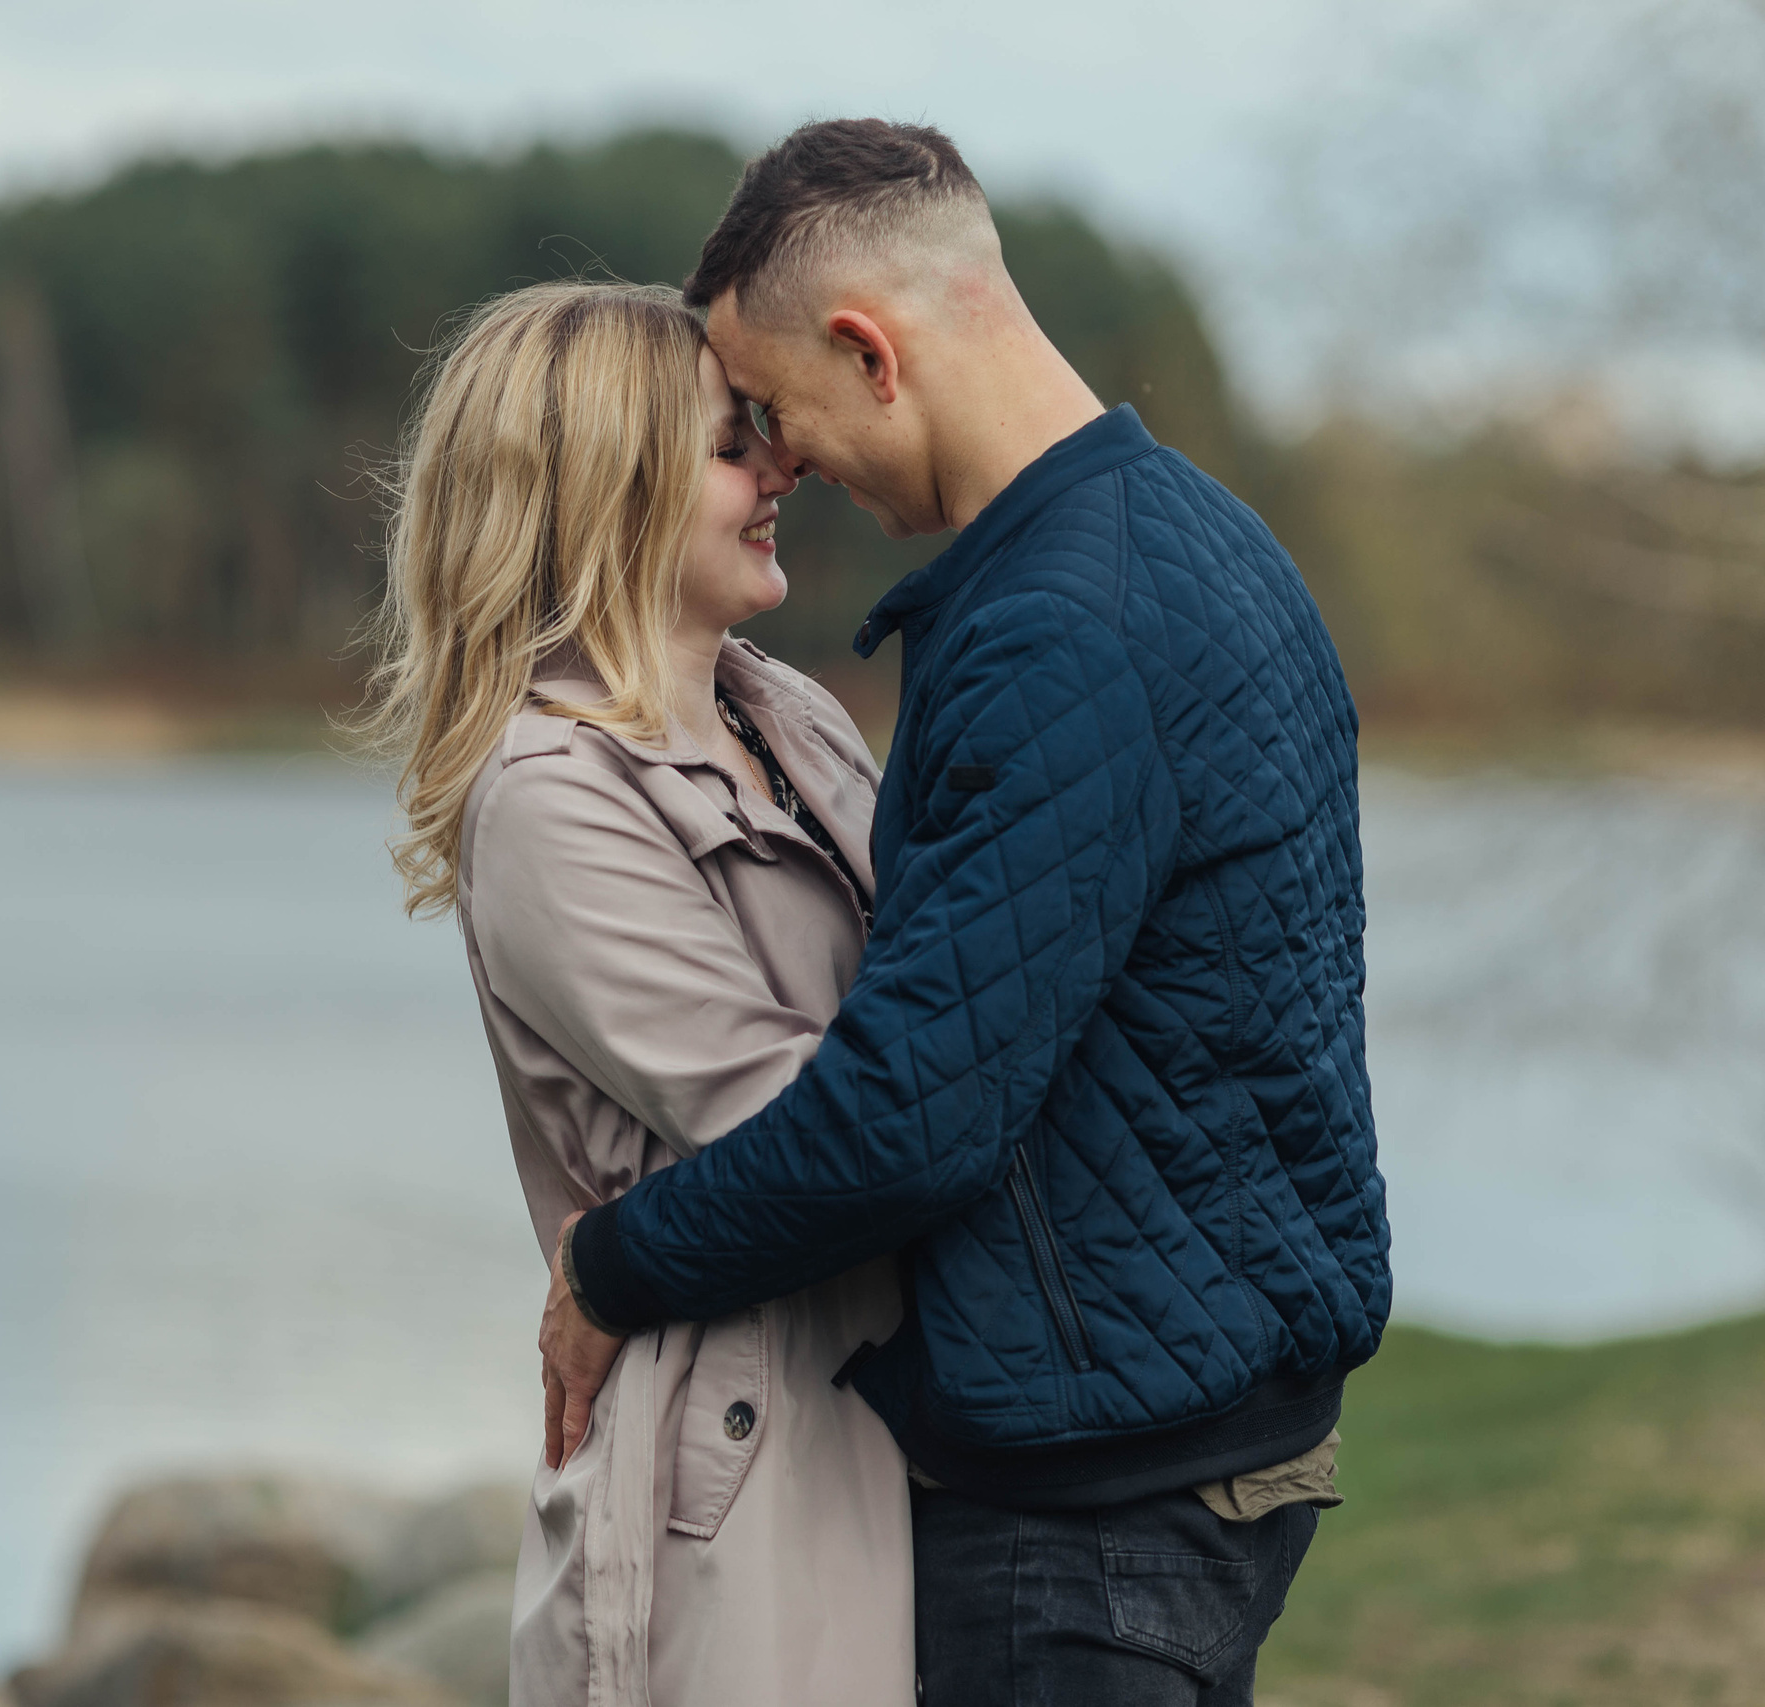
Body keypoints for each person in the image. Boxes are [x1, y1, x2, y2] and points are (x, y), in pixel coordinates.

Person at [537, 120, 1390, 1706]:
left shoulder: (1058, 632)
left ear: (870, 350)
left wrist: (613, 1270)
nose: (783, 464)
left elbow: (907, 1118)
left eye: (775, 412)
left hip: (1093, 1515)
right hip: (1204, 1443)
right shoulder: (1204, 541)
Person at [360, 280, 918, 1706]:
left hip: (885, 1422)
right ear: (605, 484)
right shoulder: (547, 797)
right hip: (736, 1487)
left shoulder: (782, 710)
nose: (780, 464)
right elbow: (804, 1129)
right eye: (733, 441)